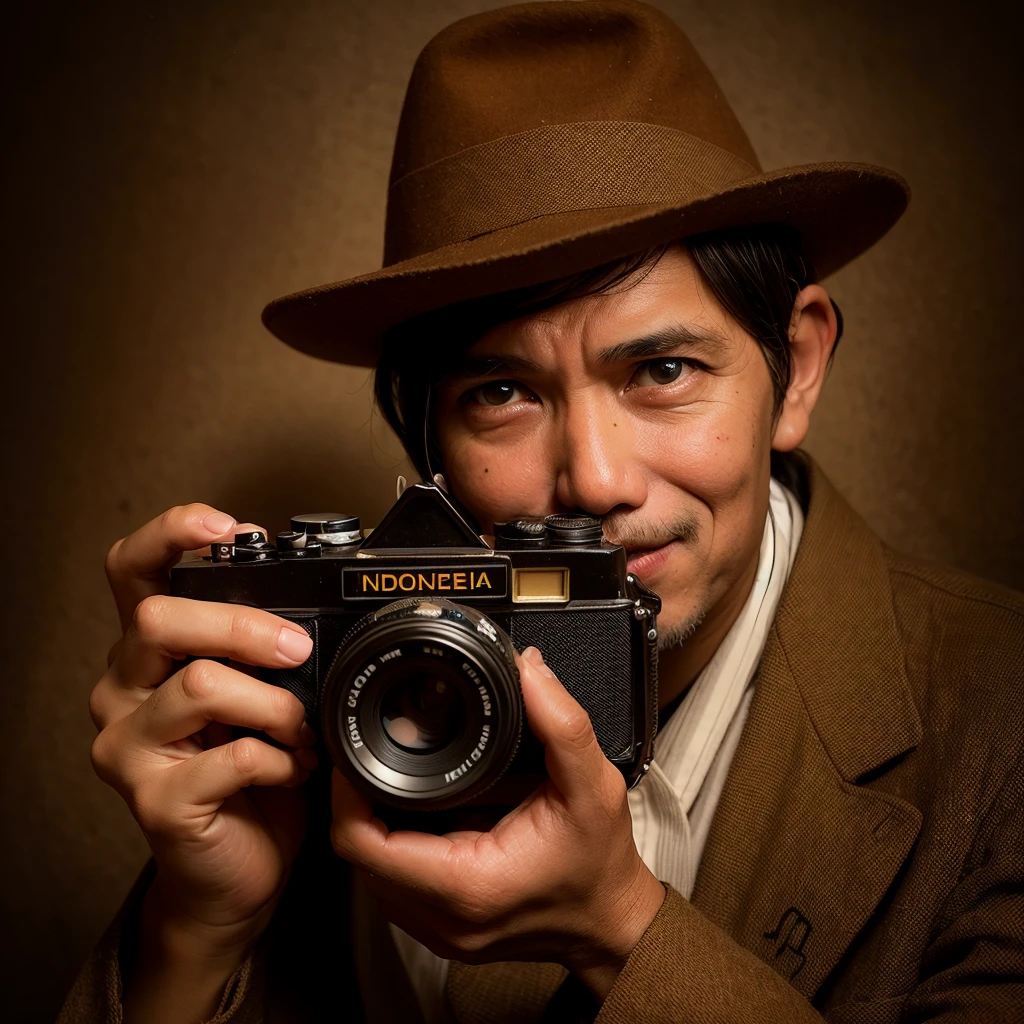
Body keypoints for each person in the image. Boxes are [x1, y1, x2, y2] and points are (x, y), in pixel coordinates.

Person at [59, 2, 1024, 1022]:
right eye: (502, 393)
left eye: (661, 369)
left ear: (797, 370)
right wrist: (193, 931)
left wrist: (619, 929)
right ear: (428, 440)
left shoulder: (997, 715)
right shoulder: (334, 700)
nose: (595, 480)